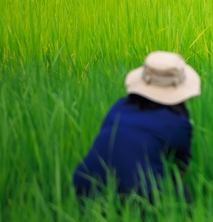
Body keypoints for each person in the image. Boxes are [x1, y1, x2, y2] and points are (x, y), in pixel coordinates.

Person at [73, 51, 201, 201]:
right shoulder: (178, 124)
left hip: (84, 185)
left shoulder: (119, 107)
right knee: (180, 190)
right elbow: (180, 167)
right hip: (139, 194)